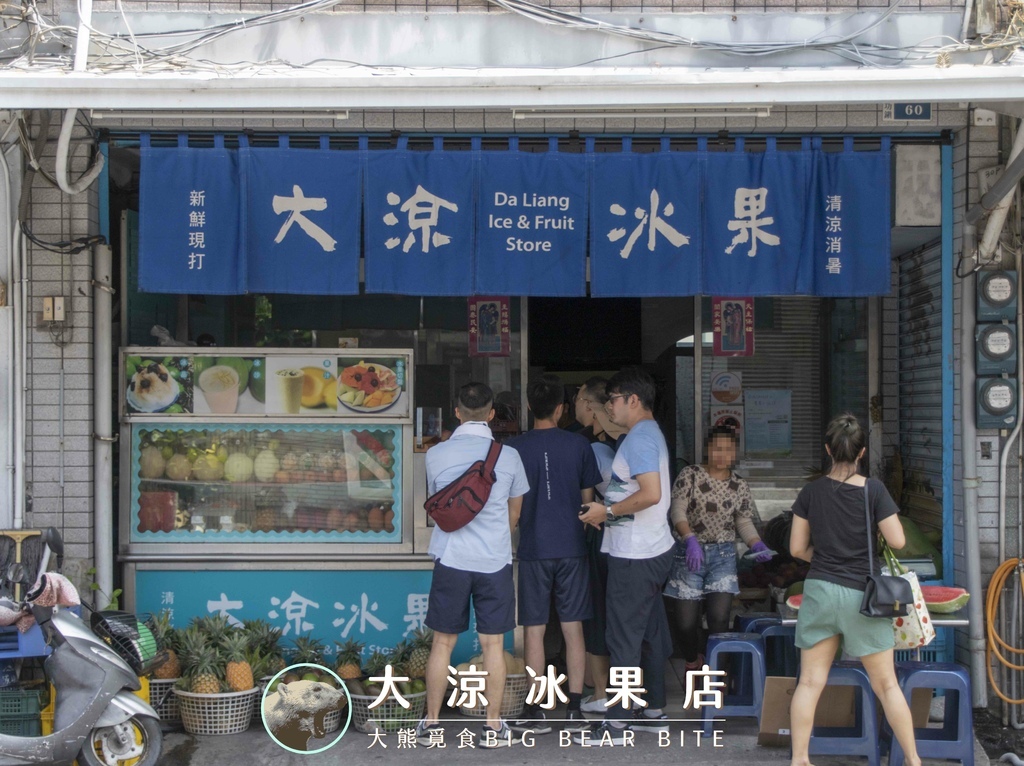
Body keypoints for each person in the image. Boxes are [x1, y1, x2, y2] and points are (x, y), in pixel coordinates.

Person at [788, 413, 920, 766]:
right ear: (861, 453)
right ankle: (913, 761)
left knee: (810, 683)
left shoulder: (810, 492)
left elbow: (797, 549)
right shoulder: (874, 490)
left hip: (820, 592)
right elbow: (899, 540)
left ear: (828, 450)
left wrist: (826, 556)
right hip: (864, 595)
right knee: (887, 686)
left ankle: (799, 759)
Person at [416, 382, 530, 748]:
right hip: (494, 561)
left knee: (442, 643)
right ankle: (493, 726)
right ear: (492, 413)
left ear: (457, 411)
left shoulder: (436, 455)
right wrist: (495, 535)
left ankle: (431, 725)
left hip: (451, 558)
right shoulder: (509, 457)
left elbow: (442, 505)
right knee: (494, 645)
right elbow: (516, 511)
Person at [577, 367, 675, 742]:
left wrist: (608, 511)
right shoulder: (647, 434)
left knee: (623, 637)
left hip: (636, 553)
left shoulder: (639, 440)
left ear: (633, 400)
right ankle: (652, 708)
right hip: (648, 548)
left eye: (613, 400)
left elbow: (650, 493)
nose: (609, 407)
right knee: (648, 630)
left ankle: (617, 722)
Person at [505, 376, 603, 734]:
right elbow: (588, 502)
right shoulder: (579, 445)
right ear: (561, 409)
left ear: (530, 407)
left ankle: (534, 710)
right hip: (571, 549)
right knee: (572, 629)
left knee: (533, 631)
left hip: (533, 549)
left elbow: (511, 506)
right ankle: (574, 709)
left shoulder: (513, 449)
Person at [664, 425, 772, 672]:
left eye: (728, 449)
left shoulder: (739, 485)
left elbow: (743, 521)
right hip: (689, 554)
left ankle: (716, 676)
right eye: (717, 448)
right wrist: (689, 538)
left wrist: (757, 544)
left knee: (719, 620)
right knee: (685, 623)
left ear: (735, 453)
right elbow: (677, 509)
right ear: (707, 449)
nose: (722, 454)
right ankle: (693, 659)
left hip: (723, 555)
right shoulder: (690, 475)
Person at [572, 377, 626, 715]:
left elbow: (585, 501)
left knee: (596, 612)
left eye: (578, 398)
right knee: (618, 612)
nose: (574, 404)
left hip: (600, 534)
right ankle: (620, 691)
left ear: (592, 407)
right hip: (624, 537)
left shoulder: (591, 448)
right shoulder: (624, 443)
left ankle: (603, 691)